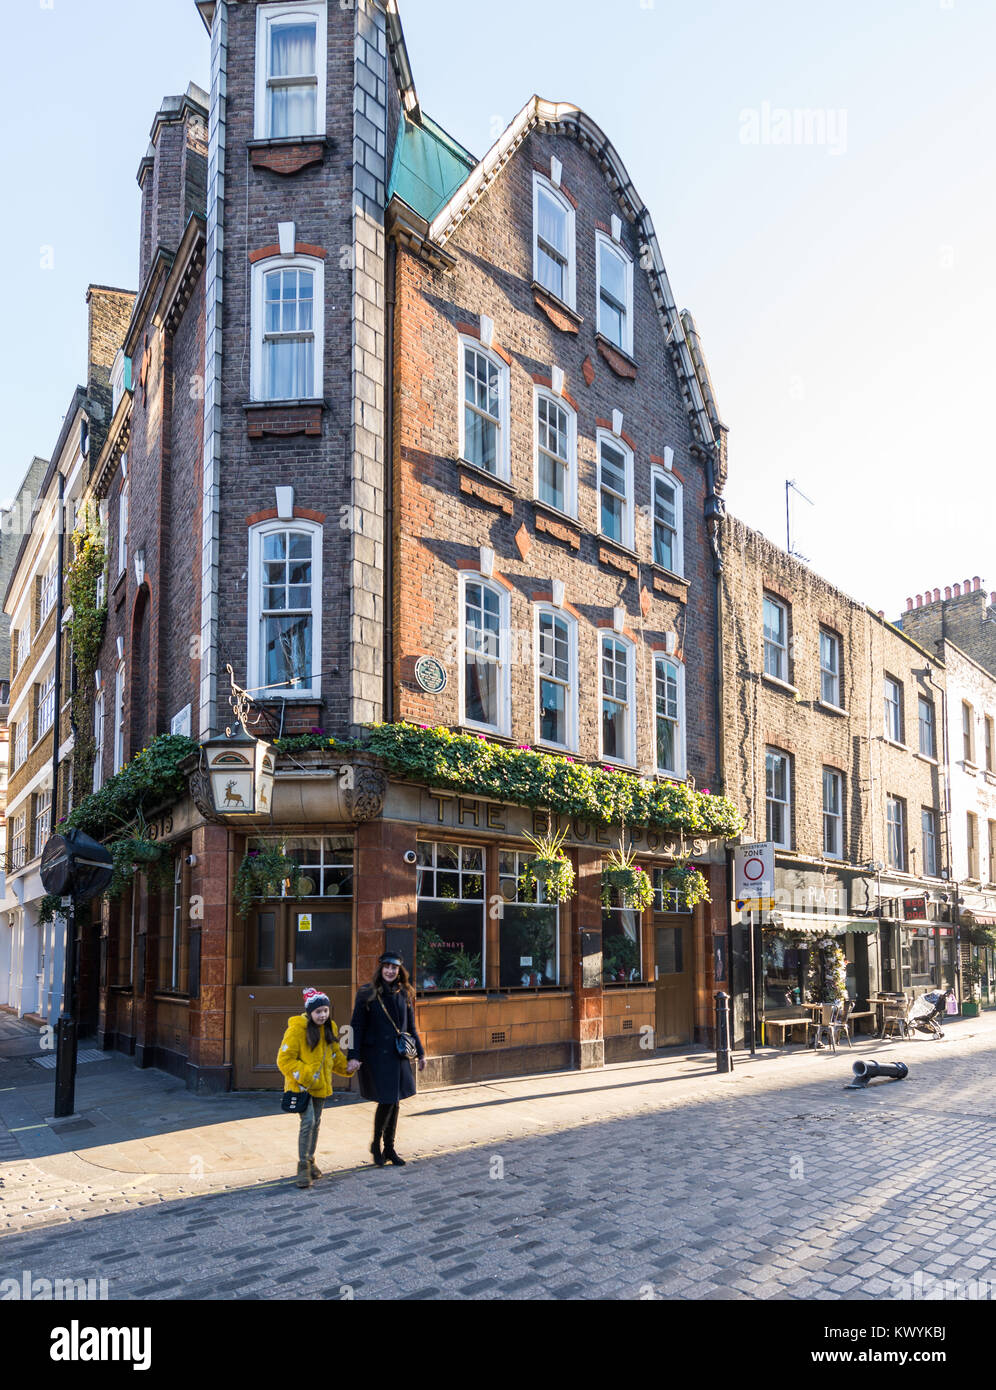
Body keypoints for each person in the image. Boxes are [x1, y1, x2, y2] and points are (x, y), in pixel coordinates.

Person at [348, 953, 425, 1166]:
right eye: (387, 967)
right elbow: (356, 1026)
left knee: (395, 1100)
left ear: (400, 970)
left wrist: (420, 1052)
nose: (390, 971)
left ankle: (389, 1148)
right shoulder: (366, 993)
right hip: (376, 1055)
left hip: (398, 1054)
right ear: (380, 969)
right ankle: (376, 1144)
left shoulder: (405, 993)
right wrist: (353, 1055)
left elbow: (410, 1026)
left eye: (394, 968)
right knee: (387, 1100)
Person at [276, 987, 351, 1188]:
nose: (323, 1015)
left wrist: (348, 1067)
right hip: (301, 1086)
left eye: (325, 1010)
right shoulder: (296, 1030)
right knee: (308, 1121)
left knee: (316, 1122)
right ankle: (302, 1168)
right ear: (310, 1012)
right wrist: (307, 1074)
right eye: (318, 1012)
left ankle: (310, 1161)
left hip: (321, 1086)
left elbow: (334, 1056)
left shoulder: (330, 1028)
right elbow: (284, 1060)